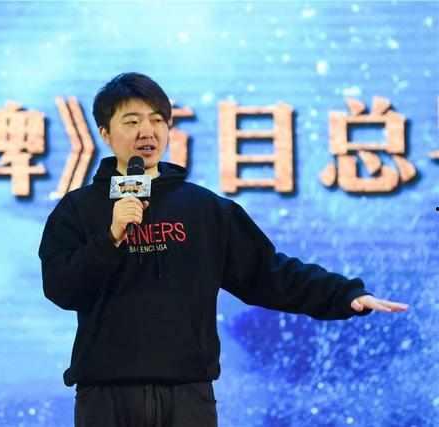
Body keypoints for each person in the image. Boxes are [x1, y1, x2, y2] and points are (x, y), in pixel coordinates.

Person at [38, 72, 408, 427]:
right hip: (106, 396)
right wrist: (110, 237)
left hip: (188, 395)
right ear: (105, 133)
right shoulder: (78, 210)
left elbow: (267, 273)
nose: (147, 131)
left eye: (157, 120)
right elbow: (61, 287)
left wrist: (344, 294)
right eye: (131, 121)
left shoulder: (204, 209)